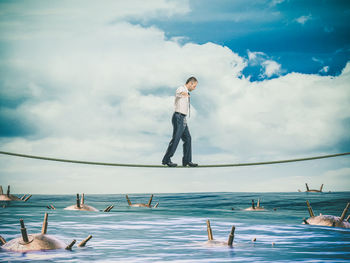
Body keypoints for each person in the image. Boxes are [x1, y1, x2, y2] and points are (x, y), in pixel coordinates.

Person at [162, 77, 198, 167]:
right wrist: (183, 93)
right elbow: (178, 94)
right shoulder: (181, 88)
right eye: (194, 86)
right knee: (176, 138)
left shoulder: (186, 91)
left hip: (183, 118)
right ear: (190, 83)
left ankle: (187, 161)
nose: (195, 88)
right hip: (178, 117)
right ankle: (166, 160)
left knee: (188, 139)